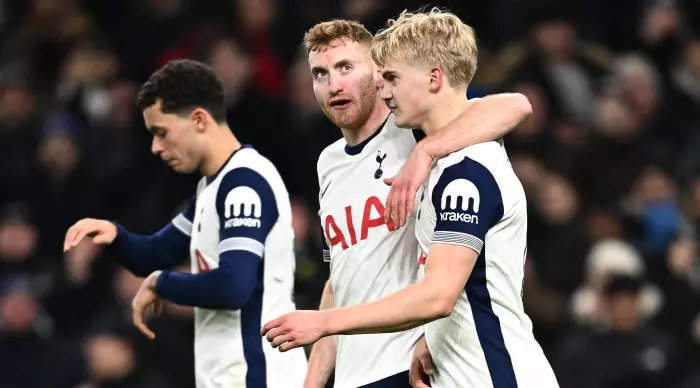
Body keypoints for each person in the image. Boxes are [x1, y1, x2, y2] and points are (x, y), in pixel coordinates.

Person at [261, 10, 559, 388]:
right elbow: (341, 273)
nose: (334, 84)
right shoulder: (329, 164)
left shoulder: (417, 131)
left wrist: (425, 151)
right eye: (321, 74)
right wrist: (313, 379)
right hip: (364, 371)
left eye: (346, 67)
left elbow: (515, 105)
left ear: (375, 70)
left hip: (413, 367)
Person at [63, 59, 307, 388]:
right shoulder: (213, 188)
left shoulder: (244, 185)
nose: (156, 147)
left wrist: (161, 283)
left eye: (162, 133)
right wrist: (114, 236)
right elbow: (156, 252)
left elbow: (234, 286)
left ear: (199, 120)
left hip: (258, 376)